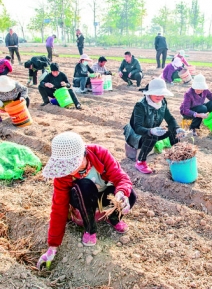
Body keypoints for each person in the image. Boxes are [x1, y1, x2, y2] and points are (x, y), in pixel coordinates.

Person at [36, 132, 136, 270]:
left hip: (103, 195)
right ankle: (90, 229)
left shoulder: (100, 153)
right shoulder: (63, 175)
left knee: (131, 195)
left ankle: (112, 218)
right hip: (83, 199)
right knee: (85, 185)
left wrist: (121, 194)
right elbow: (58, 207)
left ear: (83, 155)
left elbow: (121, 178)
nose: (69, 171)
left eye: (72, 166)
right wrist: (52, 247)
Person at [123, 78, 185, 174]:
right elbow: (137, 127)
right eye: (157, 93)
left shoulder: (163, 102)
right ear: (149, 92)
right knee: (153, 136)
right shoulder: (140, 106)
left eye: (161, 94)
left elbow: (170, 119)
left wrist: (177, 128)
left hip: (152, 130)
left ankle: (177, 155)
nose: (160, 96)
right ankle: (140, 162)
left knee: (172, 130)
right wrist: (151, 131)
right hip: (136, 136)